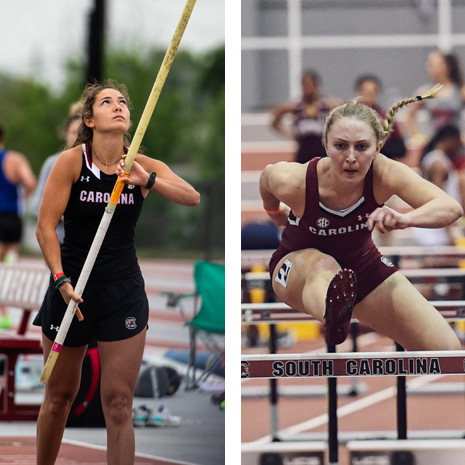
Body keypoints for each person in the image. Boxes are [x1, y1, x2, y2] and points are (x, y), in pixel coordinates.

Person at [33, 80, 200, 465]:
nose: (119, 106)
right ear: (90, 120)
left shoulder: (138, 163)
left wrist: (148, 181)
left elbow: (192, 197)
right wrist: (60, 279)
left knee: (120, 404)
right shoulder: (73, 161)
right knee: (59, 399)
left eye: (123, 101)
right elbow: (45, 228)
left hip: (123, 291)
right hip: (72, 288)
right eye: (107, 102)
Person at [259, 84, 463, 350]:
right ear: (325, 145)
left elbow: (451, 208)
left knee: (446, 350)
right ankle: (332, 315)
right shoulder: (295, 181)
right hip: (297, 267)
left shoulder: (386, 173)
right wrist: (275, 214)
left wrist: (405, 219)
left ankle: (340, 304)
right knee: (324, 266)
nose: (351, 158)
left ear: (378, 148)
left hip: (362, 268)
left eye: (362, 147)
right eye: (341, 146)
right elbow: (266, 180)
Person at [0, 122, 37, 328]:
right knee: (8, 266)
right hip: (13, 218)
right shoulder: (15, 159)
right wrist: (23, 199)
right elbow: (30, 182)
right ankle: (11, 262)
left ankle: (4, 314)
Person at [35, 102, 83, 244]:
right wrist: (61, 213)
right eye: (74, 132)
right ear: (66, 134)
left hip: (89, 241)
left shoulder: (97, 163)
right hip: (61, 240)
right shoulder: (52, 163)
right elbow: (39, 205)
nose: (78, 137)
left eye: (82, 133)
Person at [411, 123, 465, 246]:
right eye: (458, 142)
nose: (459, 147)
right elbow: (439, 199)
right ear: (450, 140)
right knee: (440, 263)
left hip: (438, 226)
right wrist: (450, 230)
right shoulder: (438, 164)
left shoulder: (437, 160)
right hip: (436, 231)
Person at [270, 69, 340, 164]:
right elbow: (275, 119)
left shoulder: (327, 104)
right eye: (304, 86)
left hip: (321, 148)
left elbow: (344, 113)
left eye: (309, 85)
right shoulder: (295, 105)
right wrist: (289, 134)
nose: (307, 89)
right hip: (304, 148)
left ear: (316, 85)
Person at [404, 50, 465, 147]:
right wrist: (418, 138)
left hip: (457, 145)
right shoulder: (424, 92)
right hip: (435, 144)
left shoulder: (460, 90)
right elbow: (409, 116)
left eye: (433, 64)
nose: (429, 68)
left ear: (446, 66)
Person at [355, 74, 407, 161]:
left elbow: (401, 149)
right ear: (358, 92)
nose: (368, 96)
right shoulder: (348, 117)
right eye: (365, 92)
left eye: (371, 93)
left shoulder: (386, 118)